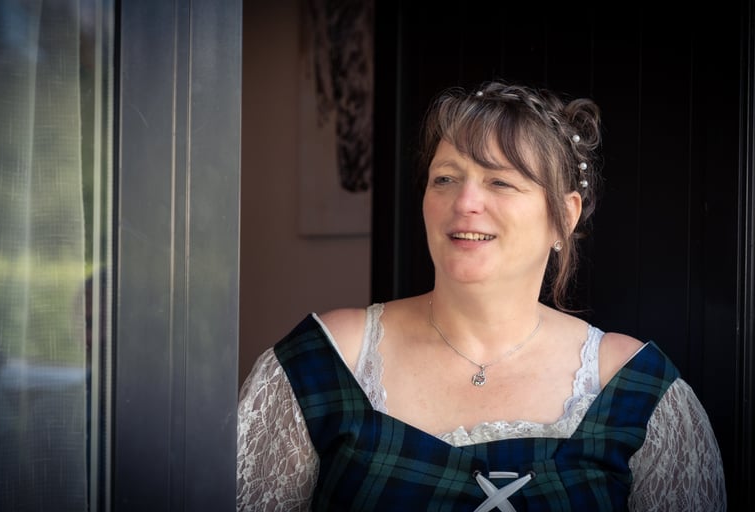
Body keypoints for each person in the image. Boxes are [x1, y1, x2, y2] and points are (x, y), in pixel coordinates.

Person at [236, 80, 727, 511]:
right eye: (445, 179)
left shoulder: (639, 391)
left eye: (500, 181)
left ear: (565, 216)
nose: (465, 202)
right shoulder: (322, 365)